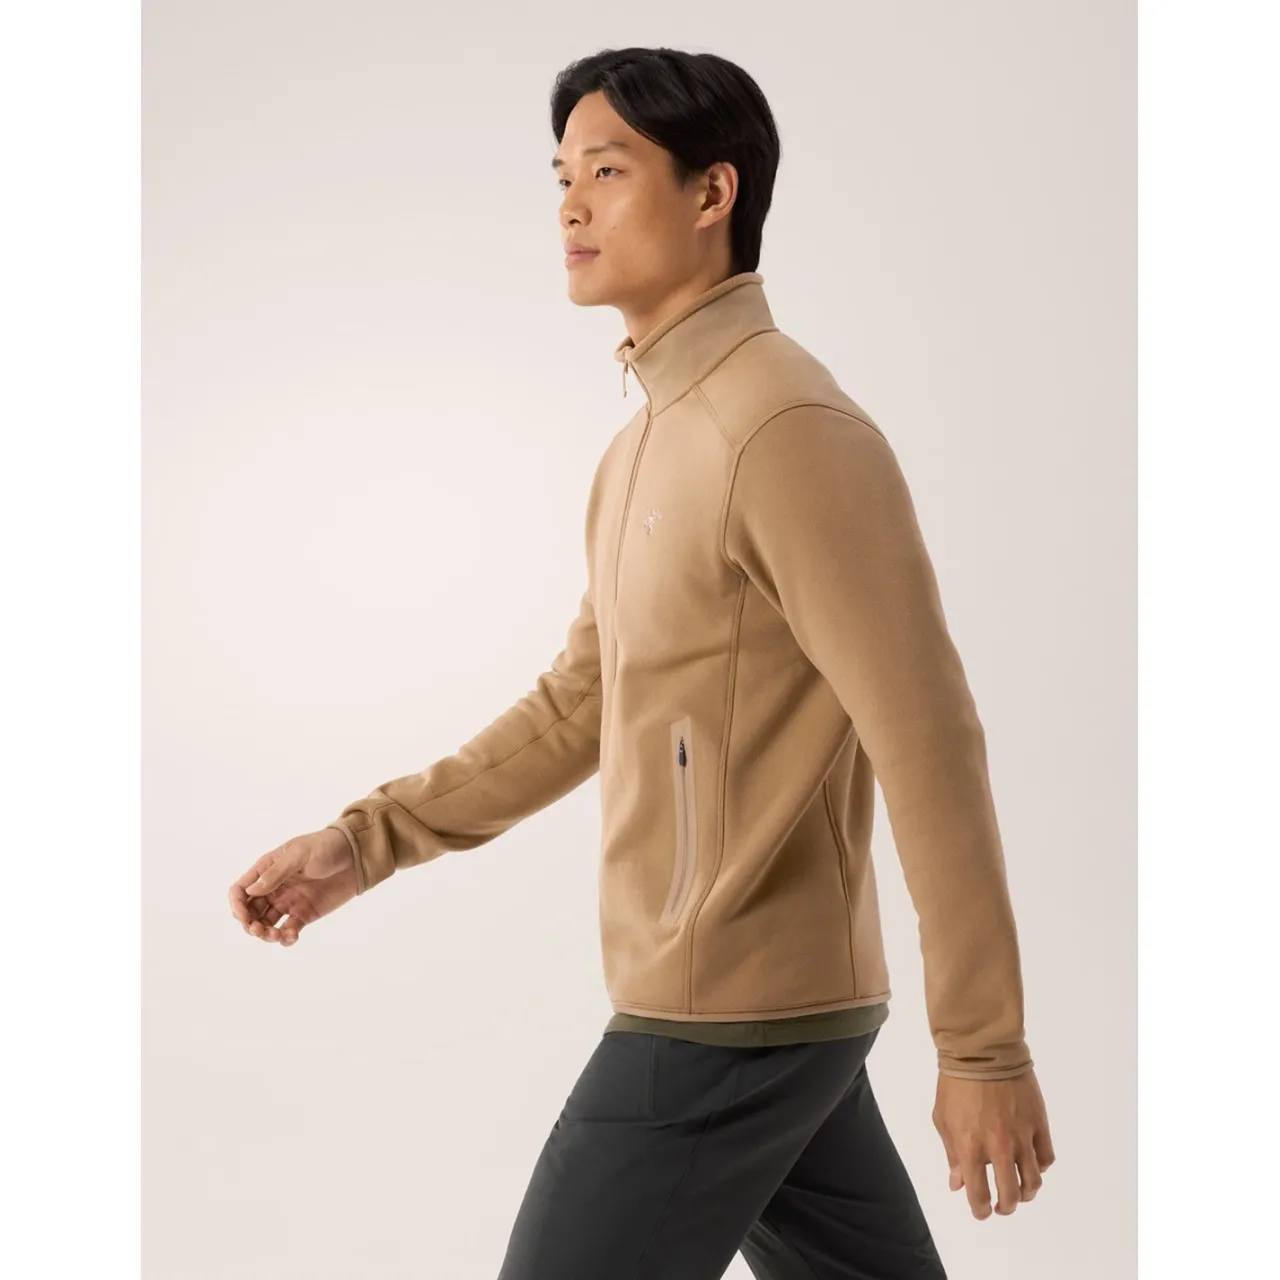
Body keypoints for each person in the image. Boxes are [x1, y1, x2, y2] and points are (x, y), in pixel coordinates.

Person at [228, 45, 1055, 1279]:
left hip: (722, 1019)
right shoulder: (647, 446)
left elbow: (925, 731)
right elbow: (584, 700)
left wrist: (981, 1045)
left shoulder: (783, 427)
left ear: (711, 192)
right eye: (560, 175)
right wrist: (366, 839)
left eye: (607, 172)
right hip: (760, 1007)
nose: (570, 205)